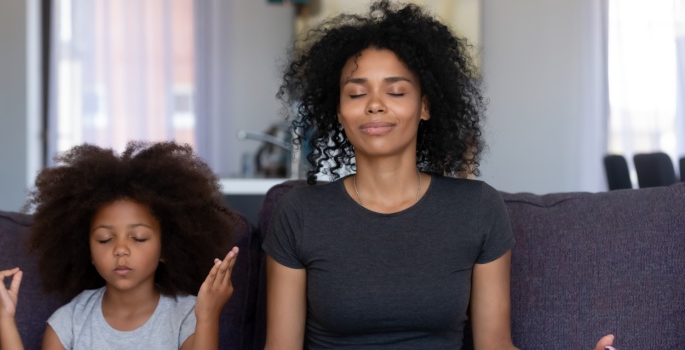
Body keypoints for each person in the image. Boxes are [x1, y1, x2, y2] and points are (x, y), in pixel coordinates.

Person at [263, 1, 615, 349]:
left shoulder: (477, 208)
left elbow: (495, 346)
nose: (374, 103)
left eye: (396, 91)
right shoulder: (299, 213)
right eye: (356, 93)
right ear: (339, 112)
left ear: (426, 106)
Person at [0, 141, 240, 350]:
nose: (120, 249)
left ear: (166, 249)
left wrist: (208, 317)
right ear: (87, 251)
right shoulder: (69, 322)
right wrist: (5, 316)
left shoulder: (188, 314)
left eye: (139, 238)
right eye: (105, 239)